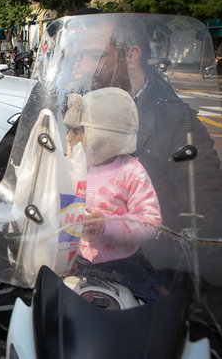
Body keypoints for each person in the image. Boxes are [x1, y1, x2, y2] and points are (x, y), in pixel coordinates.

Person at [0, 13, 222, 356]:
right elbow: (16, 163)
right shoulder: (59, 98)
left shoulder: (178, 120)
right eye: (75, 54)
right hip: (48, 251)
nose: (79, 64)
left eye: (91, 54)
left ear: (130, 56)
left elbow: (211, 203)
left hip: (144, 265)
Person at [62, 88, 161, 303]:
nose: (68, 138)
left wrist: (109, 224)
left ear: (104, 135)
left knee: (152, 309)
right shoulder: (72, 165)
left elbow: (150, 222)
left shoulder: (131, 172)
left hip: (121, 265)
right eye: (68, 130)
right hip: (76, 259)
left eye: (77, 131)